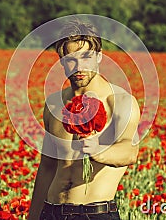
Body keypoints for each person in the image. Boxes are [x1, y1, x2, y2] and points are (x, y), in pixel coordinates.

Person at [28, 20, 140, 220]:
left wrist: (99, 151)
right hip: (51, 212)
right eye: (71, 59)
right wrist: (33, 217)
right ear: (61, 61)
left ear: (99, 56)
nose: (79, 67)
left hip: (94, 213)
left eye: (86, 57)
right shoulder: (54, 104)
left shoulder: (120, 102)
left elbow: (129, 151)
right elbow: (47, 167)